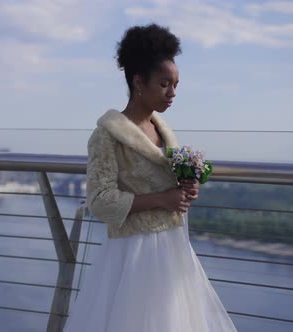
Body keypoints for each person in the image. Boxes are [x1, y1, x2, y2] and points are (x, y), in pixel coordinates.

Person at [63, 24, 237, 331]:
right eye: (165, 84)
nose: (173, 93)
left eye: (176, 85)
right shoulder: (106, 136)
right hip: (134, 254)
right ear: (138, 82)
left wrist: (186, 188)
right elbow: (100, 202)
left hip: (174, 247)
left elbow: (165, 183)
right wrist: (162, 198)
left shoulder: (163, 131)